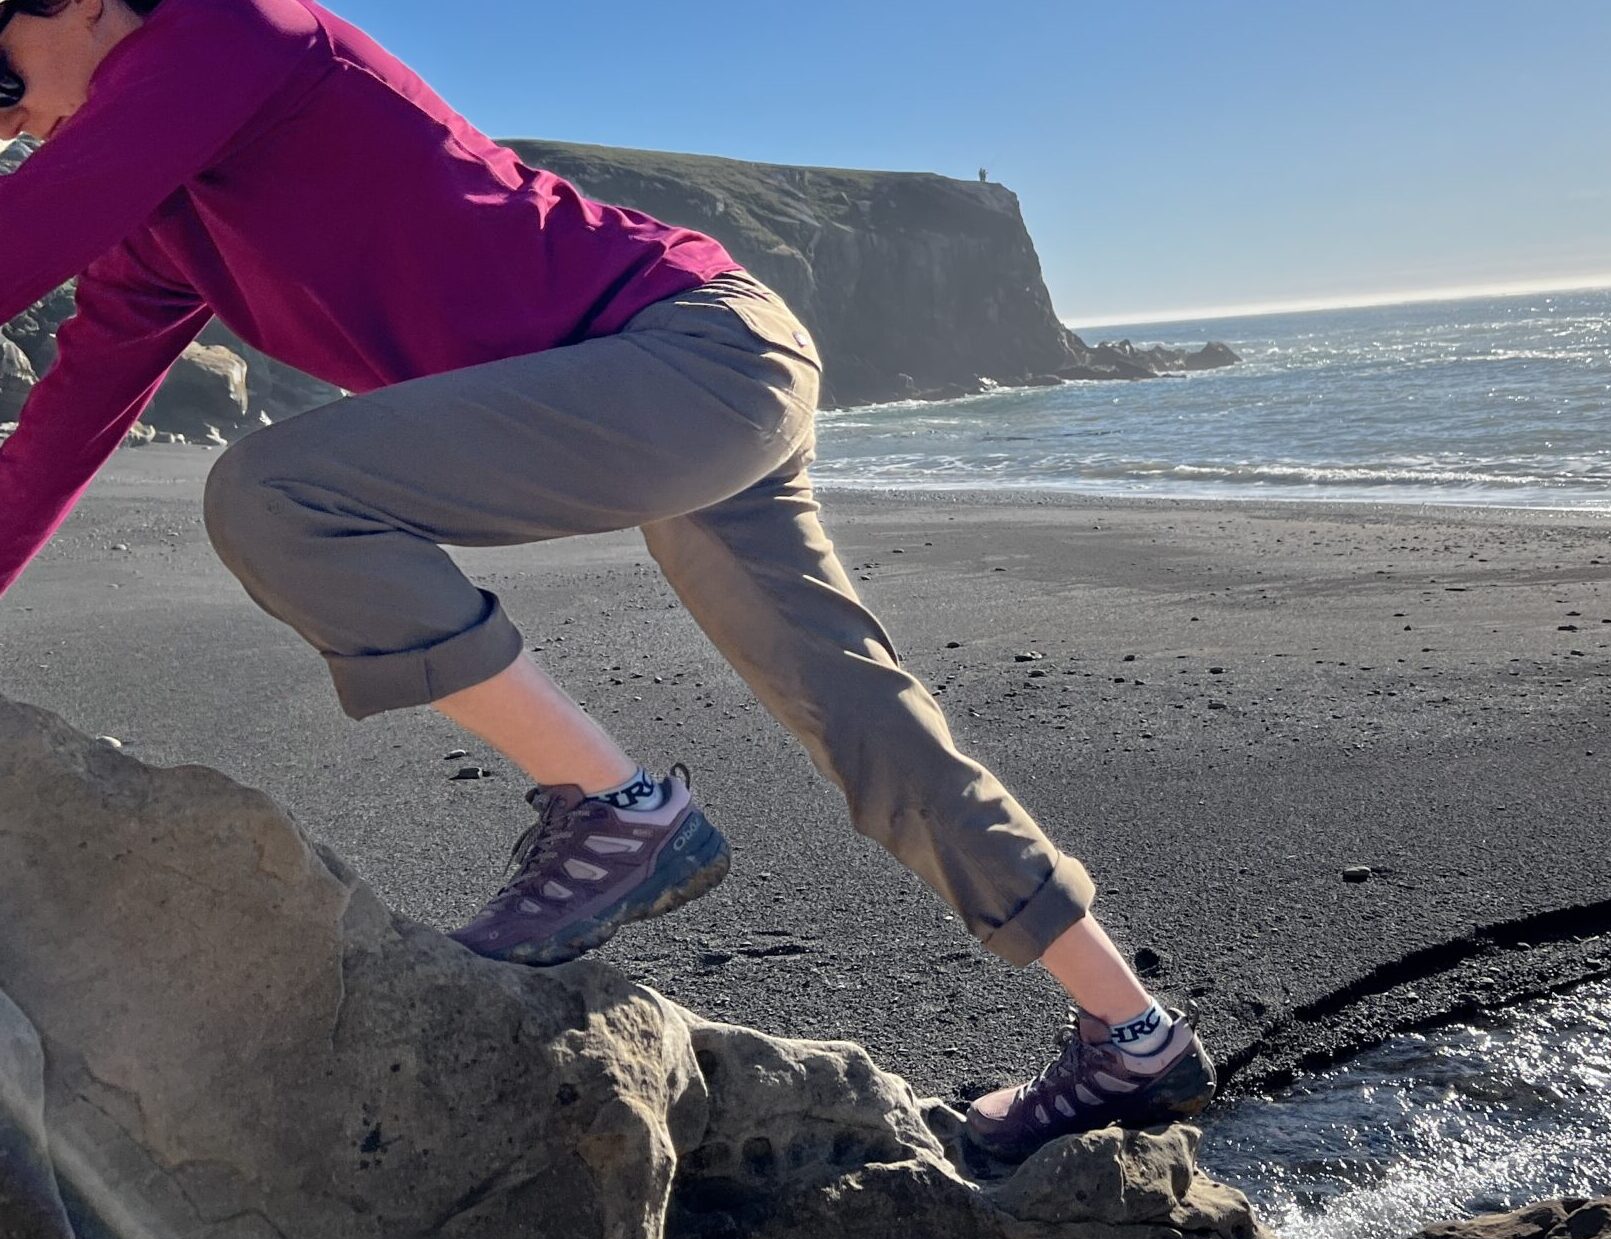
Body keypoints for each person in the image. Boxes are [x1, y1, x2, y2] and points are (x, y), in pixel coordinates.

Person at [0, 0, 1215, 1161]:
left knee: (276, 493)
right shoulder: (155, 227)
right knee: (861, 713)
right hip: (682, 380)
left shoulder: (224, 32)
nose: (7, 126)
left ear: (87, 5)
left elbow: (23, 239)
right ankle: (1136, 1037)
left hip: (692, 352)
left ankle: (620, 810)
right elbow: (55, 435)